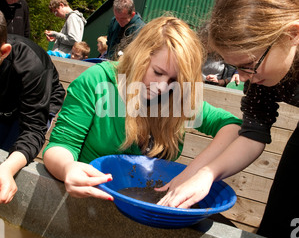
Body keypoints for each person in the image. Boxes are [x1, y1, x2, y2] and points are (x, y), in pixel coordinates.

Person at [161, 0, 299, 238]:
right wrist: (204, 174)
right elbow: (253, 133)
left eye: (248, 66)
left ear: (291, 34)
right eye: (235, 67)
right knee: (279, 227)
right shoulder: (261, 74)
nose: (245, 78)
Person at [43, 16, 242, 203]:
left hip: (147, 207)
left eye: (174, 80)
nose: (162, 87)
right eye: (157, 72)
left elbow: (232, 126)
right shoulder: (98, 81)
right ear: (140, 55)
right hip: (90, 202)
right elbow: (60, 147)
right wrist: (68, 168)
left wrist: (199, 172)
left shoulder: (176, 97)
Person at [0, 11, 65, 204]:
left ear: (3, 52)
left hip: (32, 106)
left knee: (10, 155)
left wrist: (7, 169)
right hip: (4, 103)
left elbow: (33, 130)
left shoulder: (30, 64)